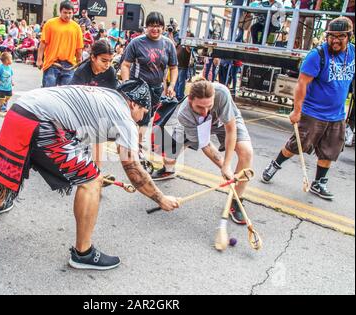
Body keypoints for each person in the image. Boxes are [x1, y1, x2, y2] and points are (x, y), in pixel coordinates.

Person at [0, 80, 179, 271]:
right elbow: (133, 169)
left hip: (19, 110)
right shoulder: (124, 116)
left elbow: (78, 135)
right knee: (92, 181)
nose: (142, 118)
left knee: (21, 157)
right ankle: (83, 253)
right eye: (143, 112)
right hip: (42, 121)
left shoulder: (105, 95)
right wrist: (161, 199)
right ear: (133, 104)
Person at [262, 17, 355, 200]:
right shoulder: (317, 55)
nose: (335, 40)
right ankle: (274, 165)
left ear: (349, 37)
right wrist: (297, 111)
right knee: (297, 145)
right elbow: (301, 84)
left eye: (340, 36)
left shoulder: (353, 53)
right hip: (313, 112)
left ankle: (318, 183)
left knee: (331, 149)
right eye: (332, 36)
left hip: (336, 114)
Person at [152, 79, 254, 225]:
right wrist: (223, 166)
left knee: (247, 153)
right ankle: (168, 168)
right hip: (197, 126)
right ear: (190, 101)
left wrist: (227, 165)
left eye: (209, 106)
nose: (206, 112)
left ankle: (235, 200)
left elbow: (231, 130)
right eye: (200, 107)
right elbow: (205, 144)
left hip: (223, 121)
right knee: (168, 157)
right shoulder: (184, 114)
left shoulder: (222, 93)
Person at [121, 12, 178, 147]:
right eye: (151, 26)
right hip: (138, 85)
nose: (155, 29)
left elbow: (174, 67)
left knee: (147, 118)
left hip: (157, 87)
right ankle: (135, 145)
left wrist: (172, 86)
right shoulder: (136, 43)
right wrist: (127, 85)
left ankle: (136, 146)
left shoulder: (168, 44)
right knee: (138, 118)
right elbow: (125, 65)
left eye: (158, 26)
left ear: (163, 28)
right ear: (146, 27)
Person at [37, 1, 84, 87]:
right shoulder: (50, 24)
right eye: (65, 12)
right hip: (52, 63)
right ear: (60, 11)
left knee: (66, 95)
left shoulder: (76, 27)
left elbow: (79, 48)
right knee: (48, 93)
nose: (67, 15)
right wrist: (39, 59)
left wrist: (79, 61)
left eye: (70, 13)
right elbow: (43, 43)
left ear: (73, 13)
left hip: (69, 65)